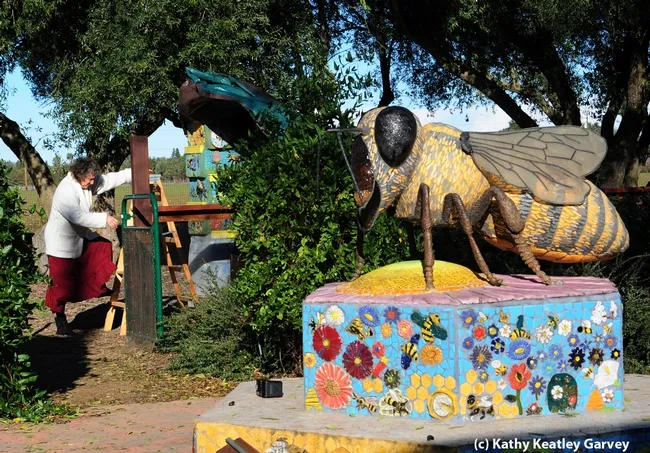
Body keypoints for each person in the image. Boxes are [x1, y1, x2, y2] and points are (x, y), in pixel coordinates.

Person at [44, 157, 131, 336]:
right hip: (60, 245)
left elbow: (108, 180)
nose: (93, 182)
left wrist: (133, 173)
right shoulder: (65, 191)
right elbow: (77, 216)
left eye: (93, 178)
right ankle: (60, 320)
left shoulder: (86, 182)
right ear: (79, 175)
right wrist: (104, 218)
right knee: (61, 287)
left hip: (78, 238)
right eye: (90, 179)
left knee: (101, 247)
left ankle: (95, 286)